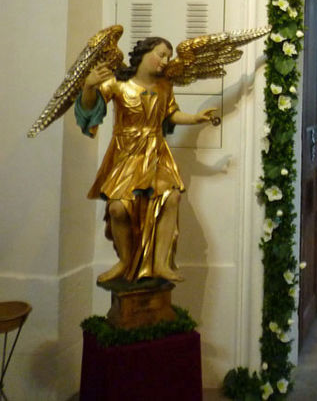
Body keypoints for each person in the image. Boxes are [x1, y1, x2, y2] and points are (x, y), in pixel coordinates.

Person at [75, 37, 216, 283]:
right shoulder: (117, 84)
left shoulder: (164, 86)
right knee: (118, 209)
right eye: (161, 54)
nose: (165, 61)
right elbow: (91, 109)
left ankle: (161, 263)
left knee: (171, 198)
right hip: (126, 153)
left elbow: (170, 113)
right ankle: (125, 261)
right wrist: (88, 87)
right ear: (144, 53)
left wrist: (195, 119)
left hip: (156, 152)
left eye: (168, 57)